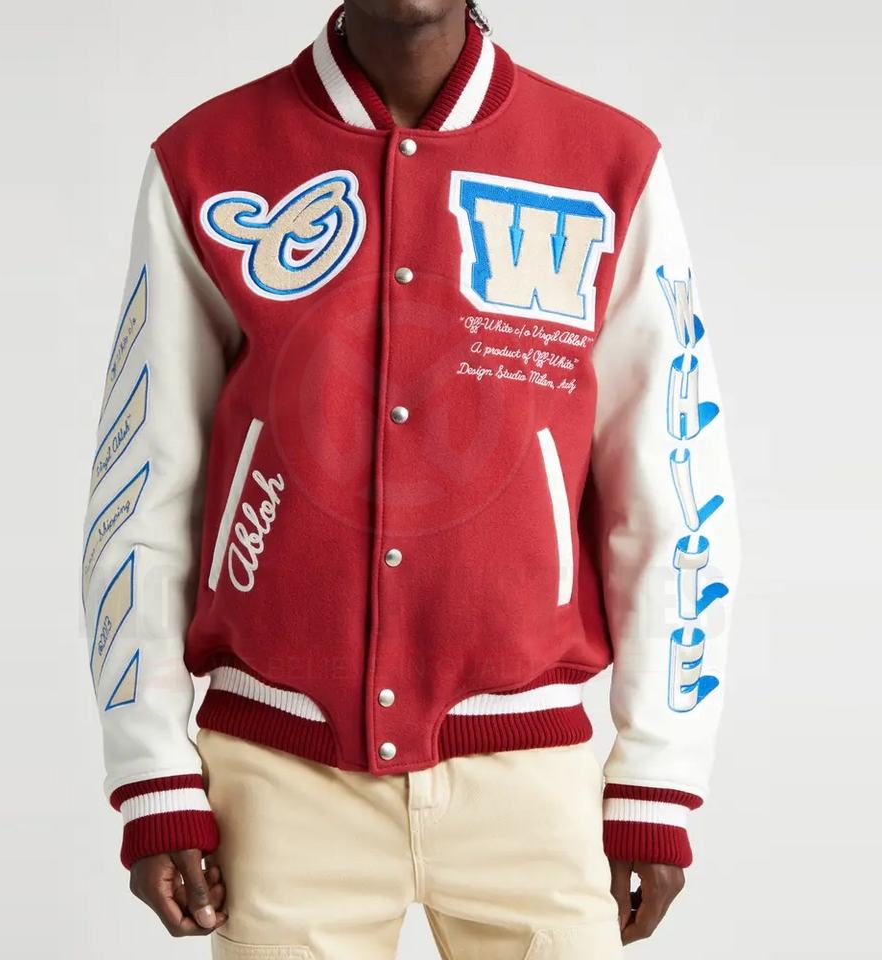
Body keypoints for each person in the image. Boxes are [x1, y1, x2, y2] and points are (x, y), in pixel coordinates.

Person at [80, 2, 740, 956]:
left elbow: (673, 487)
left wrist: (658, 778)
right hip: (278, 784)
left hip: (532, 780)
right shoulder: (207, 159)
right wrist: (152, 774)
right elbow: (140, 488)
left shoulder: (607, 163)